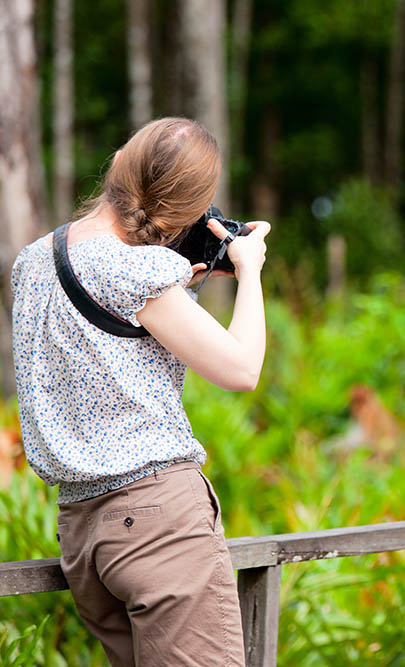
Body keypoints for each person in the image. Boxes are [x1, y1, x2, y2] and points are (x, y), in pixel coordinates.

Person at [10, 117, 270, 666]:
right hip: (158, 524)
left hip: (83, 534)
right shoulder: (138, 270)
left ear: (122, 161)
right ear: (185, 211)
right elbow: (242, 369)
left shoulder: (30, 261)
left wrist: (183, 287)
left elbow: (105, 351)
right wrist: (249, 271)